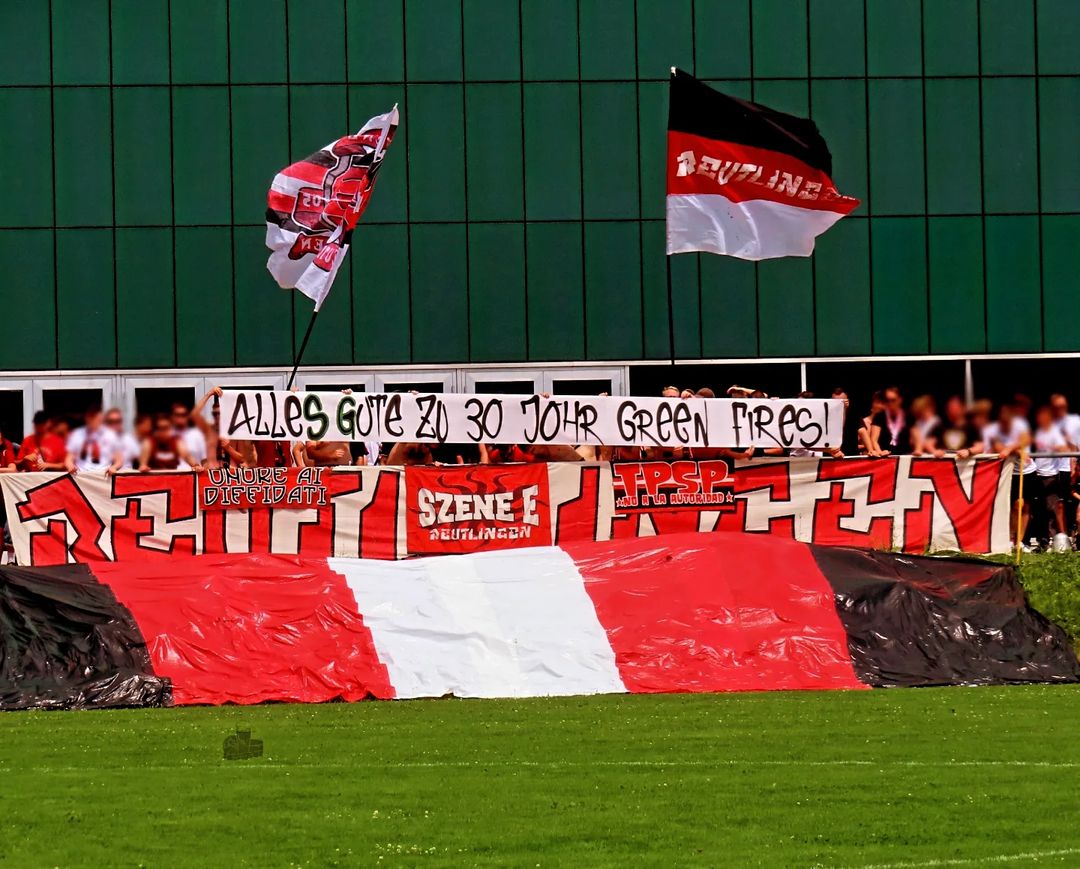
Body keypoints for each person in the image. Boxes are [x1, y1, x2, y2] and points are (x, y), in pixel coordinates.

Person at [985, 402, 1038, 549]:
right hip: (1009, 473)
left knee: (1025, 506)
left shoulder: (1020, 424)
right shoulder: (994, 430)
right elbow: (999, 448)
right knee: (1014, 506)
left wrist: (1011, 447)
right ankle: (1010, 537)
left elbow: (1026, 439)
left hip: (1027, 471)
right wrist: (1017, 450)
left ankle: (1019, 541)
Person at [1033, 404, 1069, 542]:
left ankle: (1056, 538)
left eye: (1043, 416)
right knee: (1040, 508)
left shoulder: (1054, 432)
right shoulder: (1039, 432)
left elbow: (1064, 448)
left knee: (1052, 508)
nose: (1040, 419)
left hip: (1050, 474)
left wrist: (1054, 447)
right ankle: (1044, 538)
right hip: (1038, 472)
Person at [65, 407, 122, 476]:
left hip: (104, 475)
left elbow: (119, 460)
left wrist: (114, 467)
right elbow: (69, 458)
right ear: (86, 418)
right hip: (81, 475)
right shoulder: (77, 434)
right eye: (90, 417)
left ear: (101, 418)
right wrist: (70, 466)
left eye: (95, 417)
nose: (92, 420)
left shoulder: (110, 435)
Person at [869, 386, 912, 455]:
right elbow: (874, 440)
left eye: (893, 400)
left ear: (900, 400)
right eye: (887, 400)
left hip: (904, 456)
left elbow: (915, 437)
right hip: (885, 457)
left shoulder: (908, 416)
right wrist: (880, 452)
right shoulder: (879, 416)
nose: (890, 403)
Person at [171, 401, 207, 470]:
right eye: (177, 415)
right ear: (172, 416)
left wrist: (204, 471)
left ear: (187, 416)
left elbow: (205, 460)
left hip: (193, 476)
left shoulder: (197, 434)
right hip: (170, 477)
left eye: (183, 415)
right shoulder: (167, 434)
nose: (180, 417)